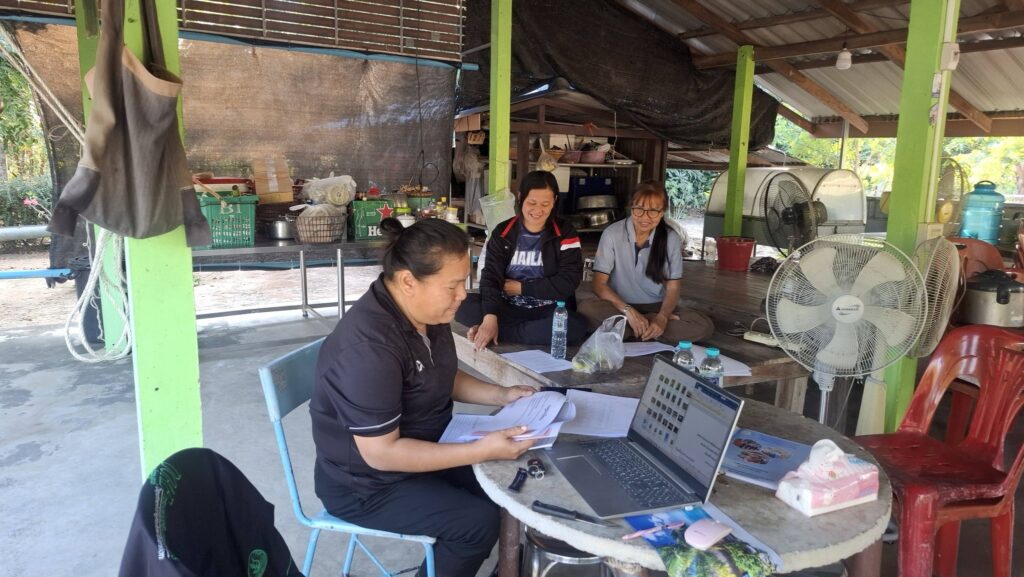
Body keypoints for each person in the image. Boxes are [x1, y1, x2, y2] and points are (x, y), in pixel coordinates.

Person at [310, 217, 536, 577]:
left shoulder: (426, 313)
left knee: (510, 483)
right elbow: (381, 453)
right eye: (453, 285)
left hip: (423, 446)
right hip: (366, 485)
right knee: (476, 523)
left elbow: (439, 376)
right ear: (408, 281)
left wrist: (503, 395)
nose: (463, 295)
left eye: (464, 282)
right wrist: (481, 449)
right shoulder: (369, 348)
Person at [456, 170, 588, 349]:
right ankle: (501, 328)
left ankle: (501, 332)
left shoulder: (565, 232)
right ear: (520, 197)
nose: (538, 210)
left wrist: (522, 288)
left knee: (575, 325)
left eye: (545, 204)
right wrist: (490, 317)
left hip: (547, 309)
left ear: (554, 201)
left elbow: (568, 281)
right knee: (461, 304)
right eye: (532, 202)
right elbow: (491, 276)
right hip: (507, 306)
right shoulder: (503, 232)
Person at [579, 181, 713, 343]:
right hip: (618, 306)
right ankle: (645, 329)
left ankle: (632, 329)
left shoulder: (671, 238)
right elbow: (598, 285)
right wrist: (629, 312)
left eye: (653, 211)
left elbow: (673, 288)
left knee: (703, 326)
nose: (645, 217)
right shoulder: (612, 234)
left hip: (656, 306)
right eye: (639, 209)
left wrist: (662, 317)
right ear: (631, 208)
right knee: (587, 309)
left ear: (662, 212)